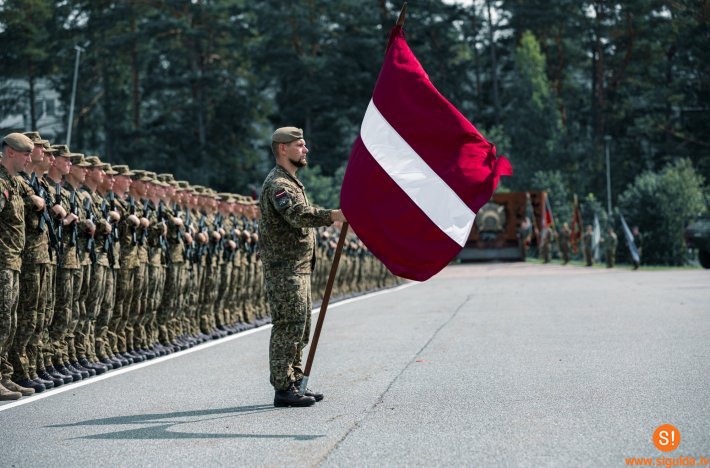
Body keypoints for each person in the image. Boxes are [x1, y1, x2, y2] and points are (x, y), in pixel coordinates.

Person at [259, 127, 345, 408]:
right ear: (283, 149)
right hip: (285, 269)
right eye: (300, 145)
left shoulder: (291, 182)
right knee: (289, 325)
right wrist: (333, 215)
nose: (305, 149)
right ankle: (283, 387)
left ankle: (295, 380)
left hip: (297, 267)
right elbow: (297, 215)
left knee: (301, 326)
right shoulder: (278, 184)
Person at [0, 133, 34, 400]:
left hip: (13, 262)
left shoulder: (14, 182)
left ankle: (4, 376)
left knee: (9, 322)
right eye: (25, 154)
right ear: (10, 152)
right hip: (2, 262)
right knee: (2, 321)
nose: (29, 159)